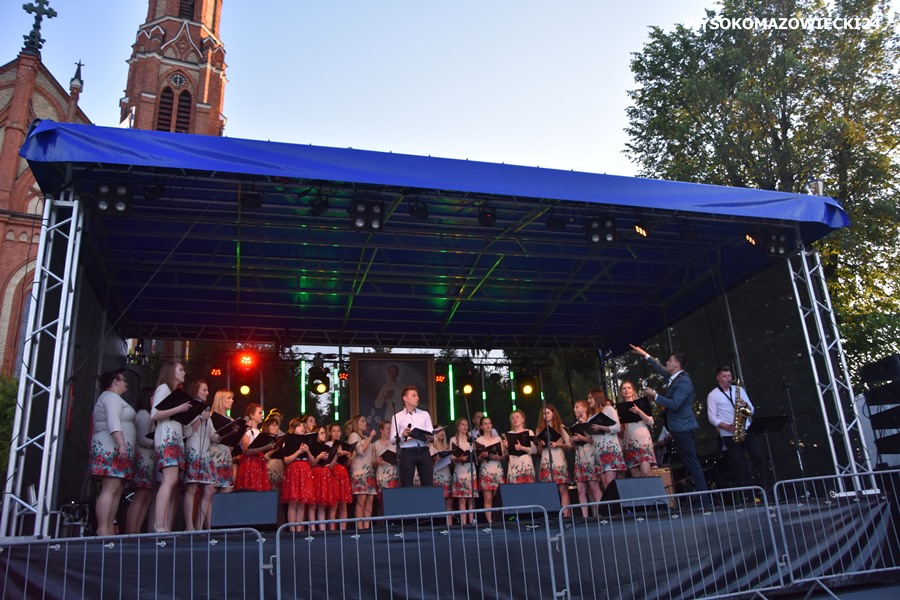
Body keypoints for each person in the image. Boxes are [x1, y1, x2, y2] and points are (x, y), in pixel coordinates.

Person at [630, 345, 710, 502]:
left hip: (683, 428)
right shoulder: (675, 378)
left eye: (670, 360)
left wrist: (655, 395)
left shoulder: (684, 382)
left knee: (692, 463)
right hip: (677, 428)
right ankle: (699, 496)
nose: (667, 362)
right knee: (688, 463)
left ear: (677, 364)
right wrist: (644, 354)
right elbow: (660, 368)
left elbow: (675, 404)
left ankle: (704, 498)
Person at [90, 369, 136, 536]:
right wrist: (121, 444)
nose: (126, 384)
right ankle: (103, 528)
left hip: (116, 448)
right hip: (111, 447)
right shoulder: (111, 398)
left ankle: (109, 527)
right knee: (110, 487)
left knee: (116, 488)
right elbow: (113, 420)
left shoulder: (113, 398)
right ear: (115, 381)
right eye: (123, 380)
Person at [706, 365, 767, 491]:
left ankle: (762, 489)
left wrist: (746, 406)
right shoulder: (713, 395)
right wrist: (726, 426)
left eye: (729, 376)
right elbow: (711, 417)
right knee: (739, 463)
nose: (728, 378)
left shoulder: (739, 390)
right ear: (718, 378)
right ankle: (747, 493)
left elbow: (751, 410)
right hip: (729, 434)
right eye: (724, 376)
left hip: (746, 429)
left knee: (758, 457)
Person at [150, 361, 191, 533]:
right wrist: (179, 408)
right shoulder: (163, 389)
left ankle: (163, 525)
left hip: (174, 438)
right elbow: (154, 414)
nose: (183, 372)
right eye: (180, 369)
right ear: (170, 371)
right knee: (169, 480)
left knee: (171, 481)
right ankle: (159, 525)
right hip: (167, 438)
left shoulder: (172, 392)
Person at [182, 380, 215, 531]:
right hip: (193, 451)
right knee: (192, 488)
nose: (207, 393)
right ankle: (189, 526)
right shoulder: (189, 408)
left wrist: (230, 431)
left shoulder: (207, 411)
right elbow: (186, 432)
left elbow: (213, 435)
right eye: (204, 390)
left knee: (209, 489)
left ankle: (200, 525)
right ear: (196, 390)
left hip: (206, 454)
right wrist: (201, 418)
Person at [392, 385, 435, 487]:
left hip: (423, 450)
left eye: (417, 396)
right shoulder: (397, 417)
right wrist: (402, 435)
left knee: (428, 483)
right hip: (407, 452)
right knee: (407, 484)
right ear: (405, 398)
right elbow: (392, 440)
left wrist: (431, 437)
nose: (417, 398)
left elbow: (431, 432)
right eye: (414, 395)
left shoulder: (425, 414)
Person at [125, 387, 155, 534]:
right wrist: (158, 443)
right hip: (143, 460)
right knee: (140, 496)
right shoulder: (144, 415)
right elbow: (142, 439)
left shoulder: (149, 415)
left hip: (149, 460)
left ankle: (136, 530)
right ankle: (131, 531)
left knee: (146, 496)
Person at [536, 404, 572, 516]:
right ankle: (551, 515)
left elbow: (569, 445)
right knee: (548, 490)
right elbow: (539, 451)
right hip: (546, 460)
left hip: (558, 460)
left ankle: (566, 514)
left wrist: (558, 444)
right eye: (543, 414)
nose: (545, 415)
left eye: (548, 413)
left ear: (553, 414)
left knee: (563, 489)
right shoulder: (539, 429)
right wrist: (541, 444)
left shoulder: (560, 427)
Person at [588, 389, 626, 494]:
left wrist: (601, 427)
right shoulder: (591, 417)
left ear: (597, 398)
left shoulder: (608, 409)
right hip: (598, 451)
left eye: (590, 398)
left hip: (609, 449)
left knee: (610, 481)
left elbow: (617, 427)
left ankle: (619, 503)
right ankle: (613, 503)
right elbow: (590, 437)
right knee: (604, 482)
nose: (588, 400)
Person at [570, 399, 602, 515]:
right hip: (579, 459)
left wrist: (581, 438)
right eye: (574, 407)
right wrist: (573, 442)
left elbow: (594, 440)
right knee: (581, 489)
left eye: (577, 407)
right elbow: (574, 447)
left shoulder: (590, 423)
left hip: (590, 457)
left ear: (585, 408)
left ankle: (601, 513)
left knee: (594, 487)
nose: (575, 409)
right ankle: (585, 517)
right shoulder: (574, 426)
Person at [620, 380, 656, 478]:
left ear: (633, 391)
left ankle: (652, 488)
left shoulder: (641, 403)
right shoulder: (619, 409)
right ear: (621, 393)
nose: (626, 390)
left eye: (629, 388)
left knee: (645, 472)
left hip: (642, 441)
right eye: (624, 388)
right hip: (629, 442)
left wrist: (639, 412)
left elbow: (651, 421)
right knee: (635, 474)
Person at [282, 417, 312, 532]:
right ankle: (292, 529)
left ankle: (299, 529)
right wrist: (299, 451)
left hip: (305, 469)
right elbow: (286, 460)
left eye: (303, 426)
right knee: (293, 501)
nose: (302, 428)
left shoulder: (307, 441)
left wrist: (308, 451)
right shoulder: (289, 440)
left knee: (301, 502)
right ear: (293, 428)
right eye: (299, 426)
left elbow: (312, 461)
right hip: (294, 469)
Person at [474, 416, 505, 525]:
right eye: (485, 424)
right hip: (486, 470)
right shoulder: (478, 440)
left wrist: (498, 457)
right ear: (481, 426)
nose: (488, 425)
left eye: (489, 423)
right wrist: (482, 455)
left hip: (497, 469)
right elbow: (477, 459)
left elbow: (503, 456)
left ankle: (498, 520)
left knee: (498, 498)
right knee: (488, 498)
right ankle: (491, 522)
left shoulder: (498, 439)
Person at [348, 414, 377, 529]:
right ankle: (359, 526)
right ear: (357, 423)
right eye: (362, 421)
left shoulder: (365, 437)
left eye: (365, 421)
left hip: (369, 472)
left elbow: (371, 456)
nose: (365, 423)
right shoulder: (354, 436)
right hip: (359, 472)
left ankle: (367, 524)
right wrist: (370, 438)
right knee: (362, 498)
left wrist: (376, 461)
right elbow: (360, 450)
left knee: (370, 498)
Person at [235, 403, 274, 491]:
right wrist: (265, 447)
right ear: (252, 415)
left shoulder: (259, 432)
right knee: (250, 489)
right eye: (259, 413)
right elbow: (246, 451)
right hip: (250, 463)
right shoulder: (246, 430)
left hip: (259, 462)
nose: (262, 415)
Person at [450, 418, 477, 524]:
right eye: (462, 424)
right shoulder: (453, 439)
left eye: (466, 425)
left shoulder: (471, 439)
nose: (465, 427)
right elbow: (451, 457)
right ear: (458, 427)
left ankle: (472, 522)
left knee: (471, 499)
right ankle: (463, 524)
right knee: (462, 499)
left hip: (470, 470)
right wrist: (458, 458)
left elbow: (476, 454)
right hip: (460, 470)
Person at [209, 389, 236, 493]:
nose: (232, 401)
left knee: (227, 489)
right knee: (212, 490)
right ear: (220, 399)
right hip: (214, 454)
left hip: (226, 455)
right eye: (229, 398)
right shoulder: (211, 416)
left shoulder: (231, 419)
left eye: (232, 398)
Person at [326, 423, 353, 529]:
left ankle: (343, 529)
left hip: (343, 472)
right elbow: (329, 464)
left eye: (338, 431)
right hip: (333, 472)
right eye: (334, 431)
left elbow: (348, 464)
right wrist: (337, 454)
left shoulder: (344, 445)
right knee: (334, 504)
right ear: (330, 433)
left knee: (343, 504)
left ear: (341, 433)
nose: (336, 433)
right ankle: (332, 529)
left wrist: (349, 456)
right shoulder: (328, 445)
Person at [503, 409, 536, 484]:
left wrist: (521, 448)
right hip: (513, 466)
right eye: (513, 418)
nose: (515, 419)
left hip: (526, 466)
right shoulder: (508, 434)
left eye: (517, 417)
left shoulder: (529, 432)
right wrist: (506, 447)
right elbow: (505, 454)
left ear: (522, 419)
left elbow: (534, 450)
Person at [373, 420, 400, 512]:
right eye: (388, 429)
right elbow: (373, 463)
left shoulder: (395, 443)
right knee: (382, 502)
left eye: (391, 429)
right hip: (381, 477)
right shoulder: (375, 445)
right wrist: (377, 461)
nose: (390, 431)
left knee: (395, 500)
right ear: (381, 430)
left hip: (393, 476)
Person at [430, 426, 455, 521]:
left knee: (449, 502)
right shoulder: (430, 446)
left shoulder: (446, 446)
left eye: (443, 430)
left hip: (447, 475)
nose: (442, 433)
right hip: (436, 475)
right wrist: (435, 460)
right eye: (439, 431)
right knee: (437, 502)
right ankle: (438, 524)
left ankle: (449, 526)